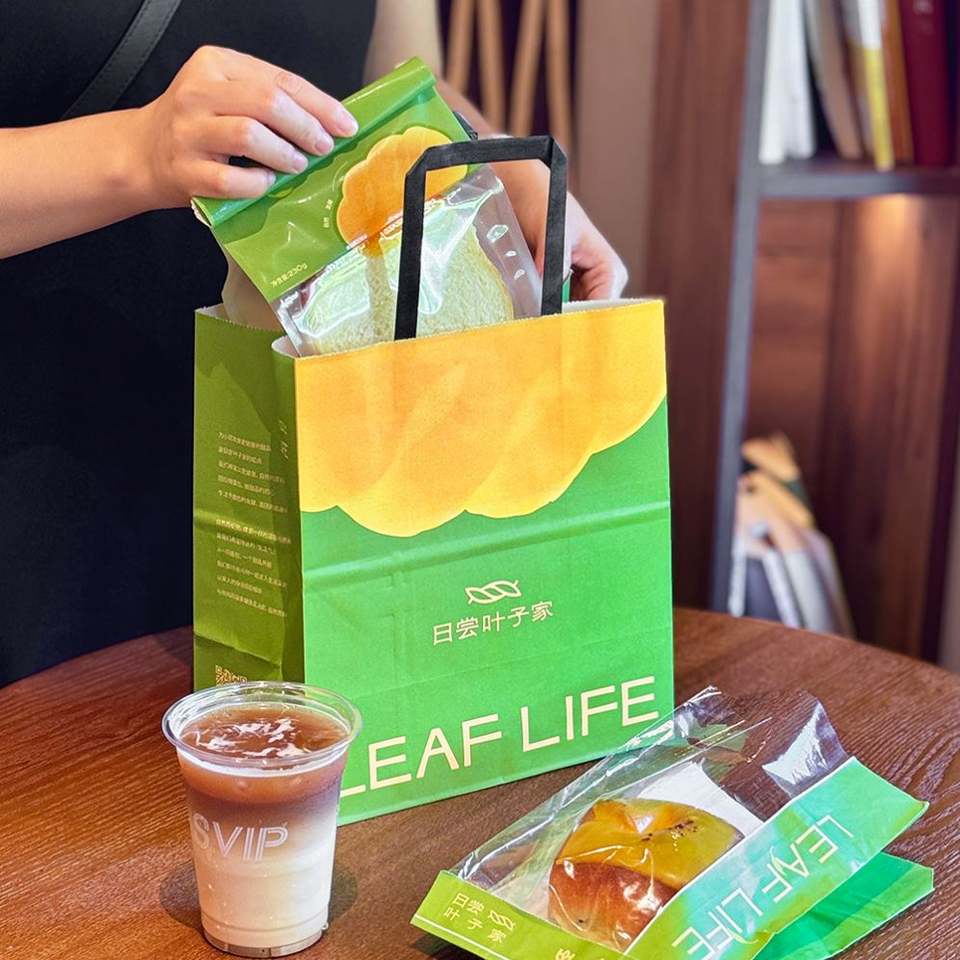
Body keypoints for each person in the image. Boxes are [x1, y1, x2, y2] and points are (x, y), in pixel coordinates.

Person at [0, 0, 627, 684]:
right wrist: (136, 153)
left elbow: (393, 77)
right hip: (46, 495)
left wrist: (488, 159)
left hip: (319, 456)